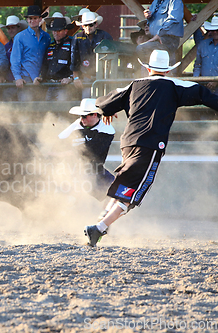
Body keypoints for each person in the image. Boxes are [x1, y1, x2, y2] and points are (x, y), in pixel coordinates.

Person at [84, 50, 218, 247]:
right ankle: (100, 228)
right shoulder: (175, 86)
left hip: (128, 142)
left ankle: (101, 220)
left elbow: (103, 103)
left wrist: (105, 111)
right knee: (134, 191)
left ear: (147, 68)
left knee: (126, 184)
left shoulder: (133, 85)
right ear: (168, 70)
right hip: (150, 143)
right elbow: (205, 95)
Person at [58, 98, 115, 200]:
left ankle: (105, 214)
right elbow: (59, 141)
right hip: (71, 171)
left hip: (94, 171)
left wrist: (72, 151)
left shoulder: (106, 129)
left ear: (94, 114)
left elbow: (92, 153)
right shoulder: (76, 125)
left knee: (115, 190)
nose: (82, 119)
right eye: (81, 116)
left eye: (84, 116)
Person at [10, 5, 51, 101]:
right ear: (27, 20)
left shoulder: (46, 37)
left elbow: (48, 58)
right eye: (30, 18)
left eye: (35, 18)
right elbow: (15, 59)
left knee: (40, 110)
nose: (32, 21)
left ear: (40, 19)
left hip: (41, 79)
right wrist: (17, 77)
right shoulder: (20, 37)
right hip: (25, 79)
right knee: (26, 109)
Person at [71, 11, 112, 98]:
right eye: (85, 25)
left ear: (96, 24)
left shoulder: (104, 36)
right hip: (86, 77)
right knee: (86, 100)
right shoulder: (77, 37)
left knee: (104, 100)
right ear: (82, 26)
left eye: (91, 25)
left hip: (104, 76)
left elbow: (112, 56)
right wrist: (76, 77)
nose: (88, 27)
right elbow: (74, 59)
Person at [36, 17, 76, 101]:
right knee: (48, 110)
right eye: (54, 31)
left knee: (61, 109)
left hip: (65, 86)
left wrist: (71, 78)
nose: (56, 33)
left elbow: (77, 63)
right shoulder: (50, 46)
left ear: (65, 31)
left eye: (59, 31)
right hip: (50, 84)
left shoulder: (73, 44)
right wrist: (41, 77)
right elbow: (45, 65)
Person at [135, 0, 183, 65]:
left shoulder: (174, 1)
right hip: (156, 38)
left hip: (168, 39)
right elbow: (150, 21)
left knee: (141, 49)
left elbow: (174, 18)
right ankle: (155, 70)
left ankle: (153, 71)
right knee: (142, 50)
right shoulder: (155, 2)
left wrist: (159, 33)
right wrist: (148, 16)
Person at [193, 17, 218, 94]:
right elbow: (197, 65)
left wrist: (216, 80)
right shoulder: (203, 45)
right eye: (213, 30)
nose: (215, 32)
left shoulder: (202, 44)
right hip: (204, 86)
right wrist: (195, 81)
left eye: (217, 30)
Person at [0, 15, 27, 83]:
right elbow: (5, 64)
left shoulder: (27, 45)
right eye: (8, 28)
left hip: (25, 81)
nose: (10, 30)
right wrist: (2, 75)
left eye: (13, 28)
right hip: (10, 81)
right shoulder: (6, 47)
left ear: (19, 28)